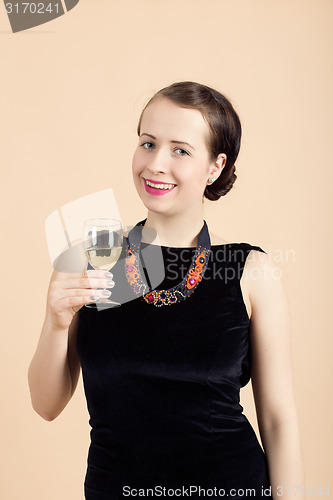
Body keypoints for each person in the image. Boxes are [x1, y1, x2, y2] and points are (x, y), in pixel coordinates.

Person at [28, 81, 304, 499]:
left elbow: (279, 419)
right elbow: (46, 406)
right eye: (147, 143)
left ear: (215, 166)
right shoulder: (90, 260)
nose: (156, 164)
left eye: (180, 150)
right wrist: (54, 322)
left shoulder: (250, 270)